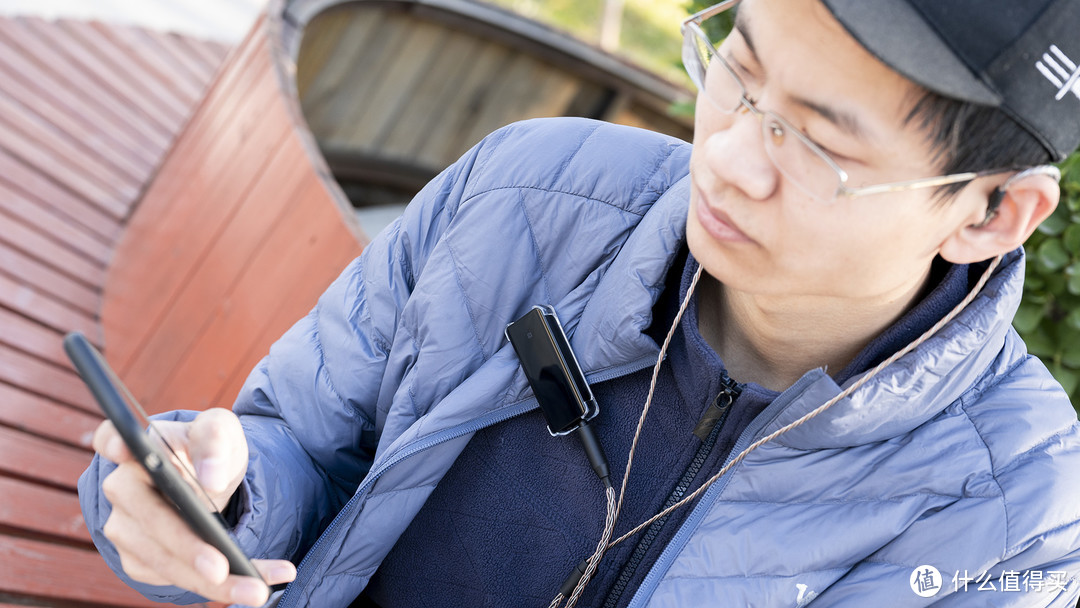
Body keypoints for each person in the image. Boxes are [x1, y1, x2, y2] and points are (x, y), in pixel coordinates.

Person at [79, 0, 1080, 606]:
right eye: (739, 70)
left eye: (816, 144)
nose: (726, 161)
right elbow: (300, 440)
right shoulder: (527, 192)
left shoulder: (1016, 513)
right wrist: (222, 499)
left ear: (992, 214)